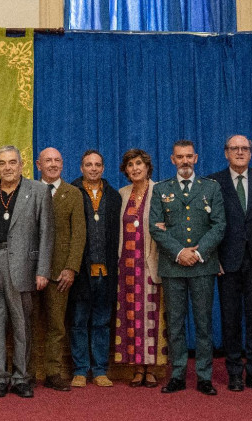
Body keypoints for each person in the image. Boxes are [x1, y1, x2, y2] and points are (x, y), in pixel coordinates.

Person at [150, 140, 226, 395]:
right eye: (179, 157)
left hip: (202, 266)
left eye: (189, 157)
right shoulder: (161, 190)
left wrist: (198, 252)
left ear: (196, 158)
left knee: (204, 323)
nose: (184, 161)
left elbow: (219, 225)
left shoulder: (211, 188)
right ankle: (178, 375)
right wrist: (180, 252)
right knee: (175, 324)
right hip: (173, 266)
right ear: (172, 160)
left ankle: (205, 377)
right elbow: (155, 227)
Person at [0, 145, 53, 398]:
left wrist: (42, 269)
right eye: (2, 163)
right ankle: (0, 377)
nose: (7, 167)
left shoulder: (38, 191)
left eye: (12, 162)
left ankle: (21, 378)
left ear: (22, 165)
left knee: (21, 324)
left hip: (23, 265)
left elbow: (46, 234)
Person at [208, 135, 252, 392]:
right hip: (227, 262)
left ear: (251, 152)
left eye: (244, 148)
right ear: (226, 153)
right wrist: (213, 257)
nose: (239, 152)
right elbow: (208, 223)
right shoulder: (214, 182)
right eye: (234, 148)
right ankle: (234, 372)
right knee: (230, 320)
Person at [35, 147, 86, 391]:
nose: (53, 164)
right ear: (38, 165)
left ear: (63, 165)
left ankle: (53, 373)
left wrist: (71, 268)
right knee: (28, 324)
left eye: (57, 160)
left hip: (60, 273)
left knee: (56, 326)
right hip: (30, 271)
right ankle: (26, 372)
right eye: (48, 160)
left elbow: (79, 235)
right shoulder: (29, 191)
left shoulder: (73, 193)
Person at [68, 150, 121, 388]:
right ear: (81, 168)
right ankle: (80, 370)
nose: (93, 169)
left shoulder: (114, 196)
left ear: (103, 168)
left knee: (101, 321)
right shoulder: (71, 192)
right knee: (79, 321)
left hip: (107, 271)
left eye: (97, 165)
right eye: (88, 164)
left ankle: (100, 370)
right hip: (81, 271)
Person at [114, 148, 166, 388]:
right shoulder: (121, 194)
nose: (135, 168)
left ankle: (152, 367)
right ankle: (136, 368)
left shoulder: (161, 191)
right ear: (125, 170)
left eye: (139, 164)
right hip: (126, 266)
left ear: (147, 167)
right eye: (130, 165)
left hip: (150, 263)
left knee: (152, 317)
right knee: (130, 316)